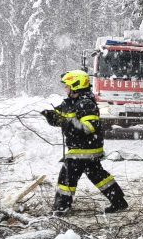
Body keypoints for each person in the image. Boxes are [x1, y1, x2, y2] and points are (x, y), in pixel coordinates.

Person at [41, 70, 128, 215]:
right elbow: (62, 120)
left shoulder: (86, 104)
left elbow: (88, 128)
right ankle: (118, 201)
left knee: (67, 177)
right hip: (84, 149)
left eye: (67, 86)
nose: (65, 89)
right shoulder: (71, 102)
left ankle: (61, 208)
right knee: (98, 175)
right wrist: (51, 116)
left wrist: (65, 122)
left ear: (76, 85)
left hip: (83, 149)